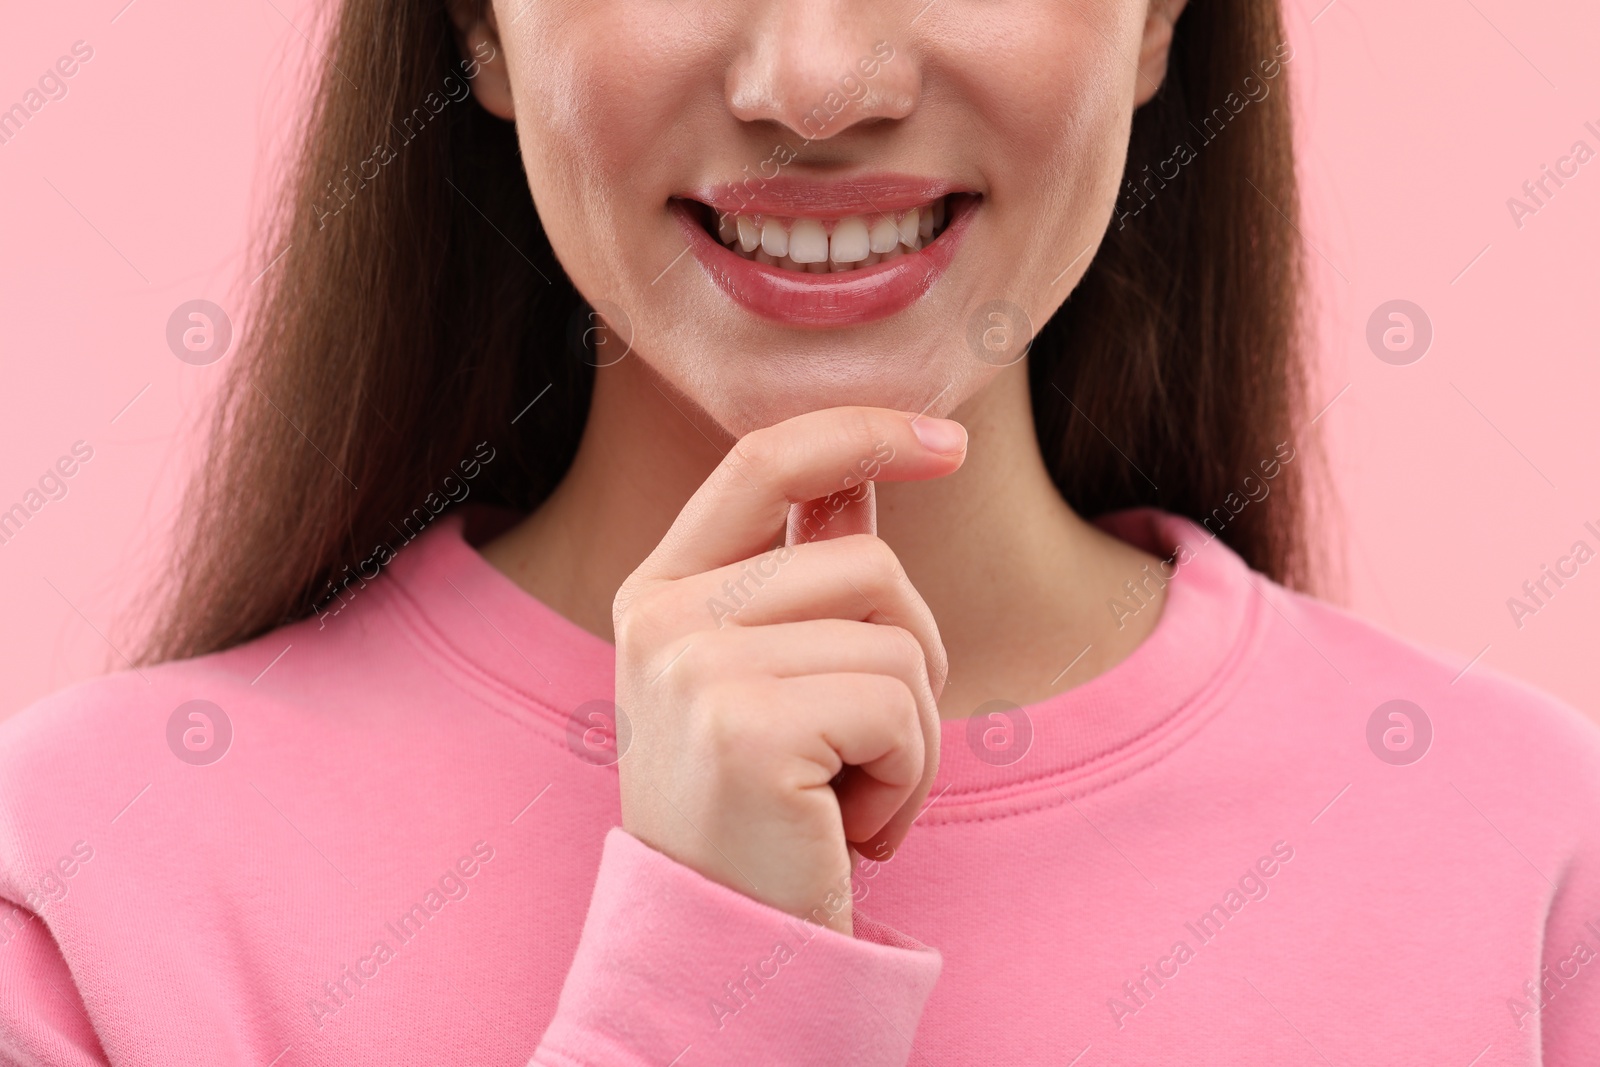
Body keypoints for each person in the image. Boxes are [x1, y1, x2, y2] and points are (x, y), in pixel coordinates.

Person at [2, 0, 1596, 1063]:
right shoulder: (80, 897)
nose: (820, 85)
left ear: (1160, 17)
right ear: (482, 25)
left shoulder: (1533, 863)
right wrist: (714, 980)